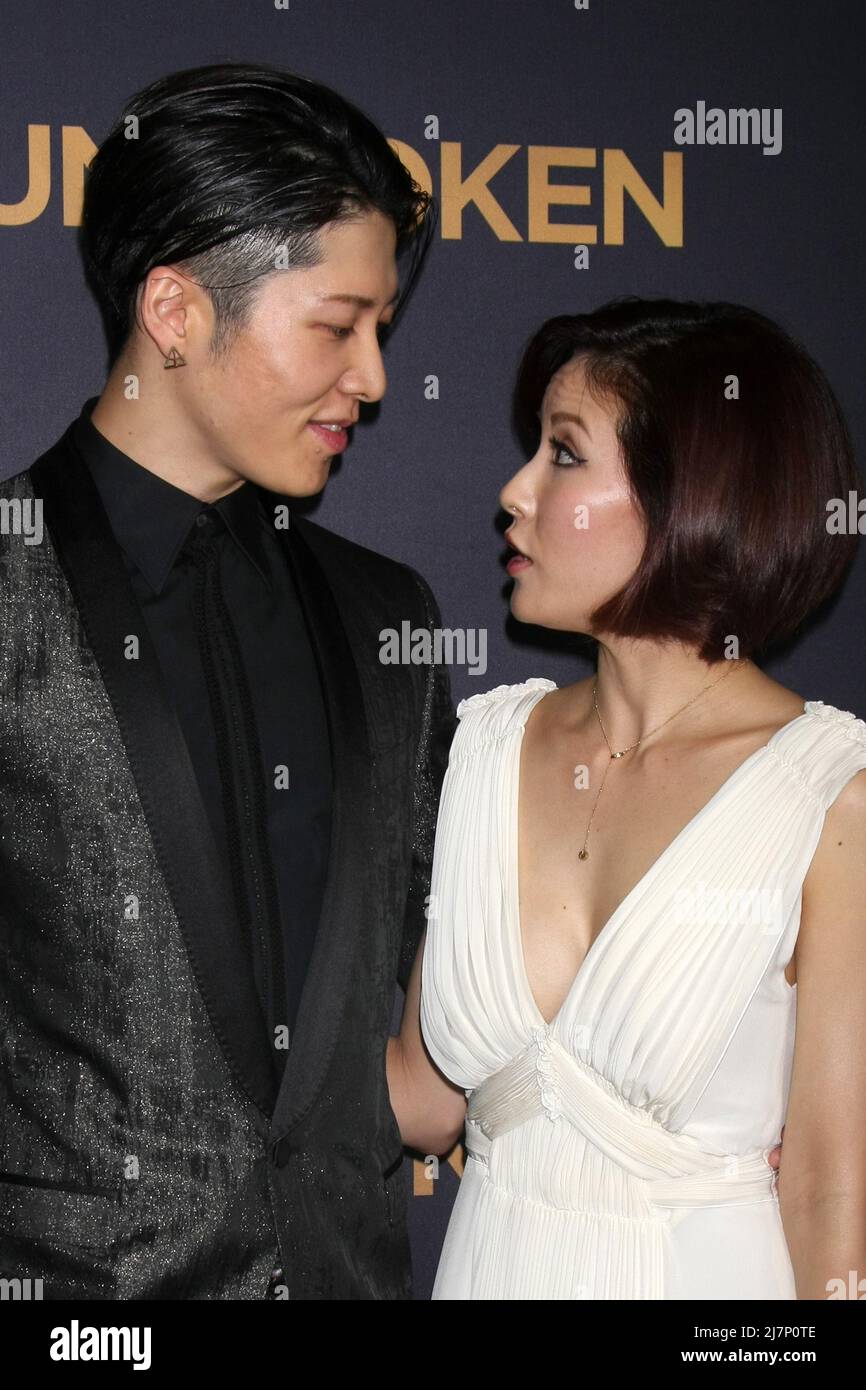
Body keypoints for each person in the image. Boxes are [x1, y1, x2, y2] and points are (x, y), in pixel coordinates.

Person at [0, 61, 458, 1299]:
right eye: (335, 324)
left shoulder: (387, 620)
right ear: (177, 311)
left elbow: (445, 975)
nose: (369, 377)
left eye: (380, 333)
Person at [391, 298, 866, 1299]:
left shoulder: (830, 795)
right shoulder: (485, 745)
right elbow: (422, 1100)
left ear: (691, 493)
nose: (511, 493)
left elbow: (829, 1199)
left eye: (562, 454)